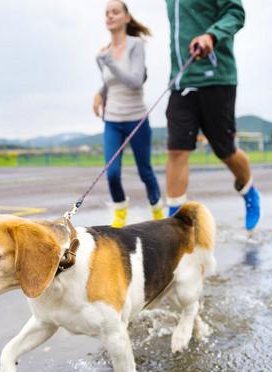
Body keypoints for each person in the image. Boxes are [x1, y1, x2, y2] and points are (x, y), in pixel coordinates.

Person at [164, 0, 261, 231]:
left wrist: (212, 35)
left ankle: (249, 191)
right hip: (182, 81)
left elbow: (235, 12)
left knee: (225, 149)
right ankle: (174, 225)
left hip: (216, 78)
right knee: (177, 149)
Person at [93, 0, 163, 228]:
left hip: (136, 118)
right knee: (111, 173)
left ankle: (158, 215)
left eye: (115, 12)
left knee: (145, 171)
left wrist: (110, 63)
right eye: (107, 13)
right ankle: (120, 214)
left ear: (126, 17)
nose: (110, 16)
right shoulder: (103, 53)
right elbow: (110, 83)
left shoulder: (136, 45)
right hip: (112, 119)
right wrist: (100, 93)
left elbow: (134, 81)